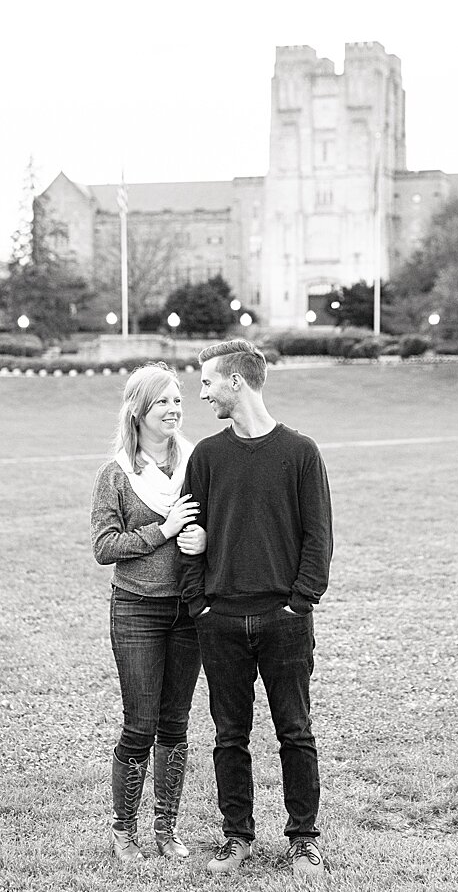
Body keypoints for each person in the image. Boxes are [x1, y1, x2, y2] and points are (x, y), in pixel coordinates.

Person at [178, 339, 333, 879]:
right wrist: (199, 605)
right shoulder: (207, 456)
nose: (202, 395)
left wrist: (299, 602)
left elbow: (318, 538)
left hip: (284, 621)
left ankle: (304, 840)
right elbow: (189, 534)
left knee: (296, 731)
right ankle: (236, 836)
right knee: (229, 734)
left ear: (236, 382)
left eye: (207, 383)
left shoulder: (300, 452)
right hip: (219, 620)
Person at [90, 363, 204, 862]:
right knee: (139, 723)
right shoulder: (116, 474)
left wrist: (204, 538)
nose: (173, 409)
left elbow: (219, 523)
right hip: (136, 610)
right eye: (162, 402)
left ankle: (167, 828)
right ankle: (123, 831)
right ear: (138, 410)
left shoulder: (198, 465)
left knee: (175, 724)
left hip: (188, 611)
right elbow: (103, 546)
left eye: (177, 400)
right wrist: (163, 530)